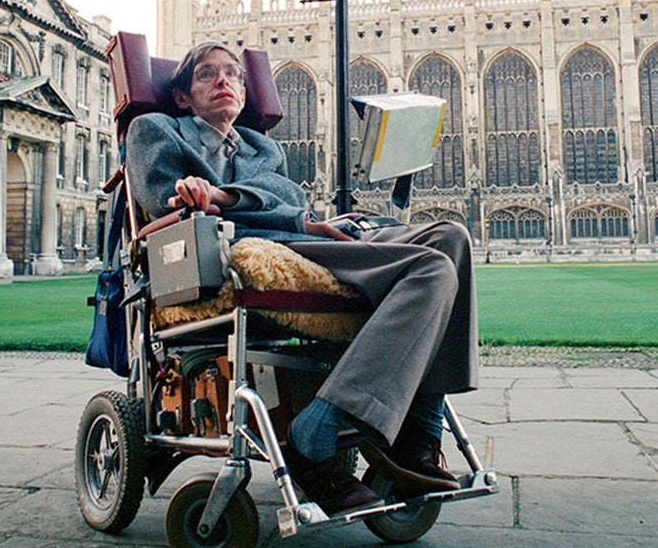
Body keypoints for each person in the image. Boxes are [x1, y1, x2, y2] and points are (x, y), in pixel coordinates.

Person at [127, 41, 479, 516]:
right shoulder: (157, 129)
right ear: (184, 96)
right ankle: (323, 428)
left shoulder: (262, 146)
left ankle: (418, 433)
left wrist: (225, 195)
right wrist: (202, 196)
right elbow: (158, 194)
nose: (223, 81)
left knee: (450, 239)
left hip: (298, 237)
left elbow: (284, 201)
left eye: (233, 73)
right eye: (207, 75)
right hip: (231, 249)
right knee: (430, 270)